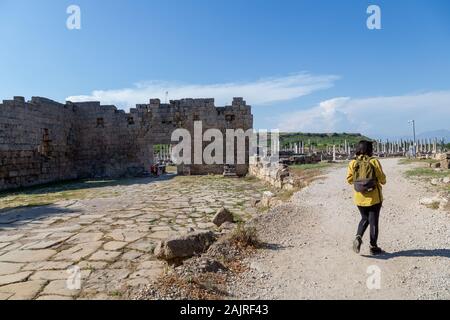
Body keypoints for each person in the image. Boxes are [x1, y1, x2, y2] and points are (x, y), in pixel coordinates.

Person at [346, 140, 386, 255]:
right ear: (370, 149)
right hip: (374, 198)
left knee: (364, 218)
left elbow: (349, 180)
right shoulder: (374, 161)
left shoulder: (352, 163)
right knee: (373, 221)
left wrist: (360, 183)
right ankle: (373, 247)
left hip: (359, 197)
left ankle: (358, 237)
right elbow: (382, 179)